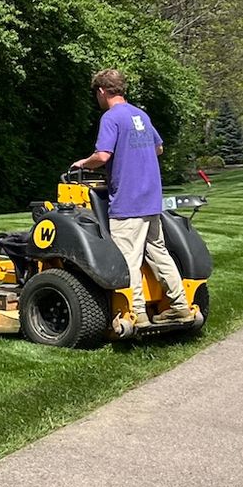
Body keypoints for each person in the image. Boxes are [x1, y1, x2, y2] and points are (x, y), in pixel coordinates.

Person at [69, 69, 193, 326]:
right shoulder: (141, 115)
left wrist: (83, 163)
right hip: (151, 199)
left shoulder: (111, 117)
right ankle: (180, 306)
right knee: (159, 253)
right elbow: (158, 148)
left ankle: (137, 314)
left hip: (128, 201)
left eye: (97, 94)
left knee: (128, 259)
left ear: (102, 91)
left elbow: (102, 156)